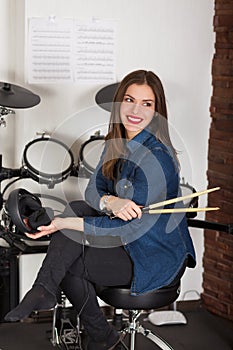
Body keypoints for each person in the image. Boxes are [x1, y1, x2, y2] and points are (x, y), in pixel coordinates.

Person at [5, 70, 196, 350]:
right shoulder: (116, 143)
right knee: (79, 207)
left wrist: (64, 224)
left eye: (147, 104)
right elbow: (93, 192)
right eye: (130, 100)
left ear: (157, 112)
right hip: (131, 242)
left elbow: (128, 229)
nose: (135, 110)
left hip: (152, 256)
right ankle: (50, 293)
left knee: (70, 261)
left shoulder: (158, 160)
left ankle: (98, 334)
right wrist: (111, 202)